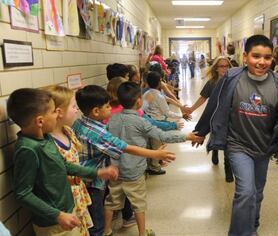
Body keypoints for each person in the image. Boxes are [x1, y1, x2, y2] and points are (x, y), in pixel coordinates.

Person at [193, 34, 278, 236]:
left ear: (272, 58)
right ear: (245, 56)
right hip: (237, 145)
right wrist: (202, 130)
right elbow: (215, 105)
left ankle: (252, 226)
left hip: (263, 147)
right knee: (245, 192)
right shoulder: (231, 77)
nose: (262, 62)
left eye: (267, 57)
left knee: (256, 193)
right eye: (256, 56)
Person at [7, 88, 118, 236]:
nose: (57, 114)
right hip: (53, 222)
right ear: (40, 121)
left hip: (68, 209)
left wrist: (97, 172)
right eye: (54, 112)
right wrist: (57, 215)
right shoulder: (27, 149)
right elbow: (23, 193)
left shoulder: (45, 137)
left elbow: (64, 165)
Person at [72, 85, 176, 236]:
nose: (111, 108)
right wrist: (155, 154)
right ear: (95, 111)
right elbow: (125, 148)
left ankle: (107, 231)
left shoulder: (79, 123)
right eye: (107, 106)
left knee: (106, 205)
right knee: (97, 223)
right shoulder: (99, 132)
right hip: (93, 179)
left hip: (83, 178)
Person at [103, 82, 203, 236]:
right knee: (139, 204)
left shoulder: (112, 119)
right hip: (134, 171)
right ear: (138, 101)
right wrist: (187, 137)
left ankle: (107, 231)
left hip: (115, 170)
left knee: (111, 201)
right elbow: (162, 135)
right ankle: (143, 233)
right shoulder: (141, 121)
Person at [45, 85, 96, 235]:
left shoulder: (68, 131)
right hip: (64, 199)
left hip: (78, 192)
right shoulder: (48, 143)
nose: (76, 110)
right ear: (59, 113)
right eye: (73, 106)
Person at [188, 56, 234, 182]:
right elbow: (203, 98)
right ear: (216, 68)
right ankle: (214, 149)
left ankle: (229, 173)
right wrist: (191, 109)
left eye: (226, 66)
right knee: (216, 135)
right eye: (221, 66)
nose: (224, 68)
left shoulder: (233, 82)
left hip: (229, 118)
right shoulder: (212, 83)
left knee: (228, 144)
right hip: (214, 116)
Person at [143, 71, 190, 175]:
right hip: (158, 122)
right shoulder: (158, 96)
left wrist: (181, 106)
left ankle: (154, 163)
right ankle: (155, 167)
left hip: (150, 121)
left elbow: (167, 98)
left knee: (153, 144)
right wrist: (181, 115)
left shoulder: (148, 93)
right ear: (160, 82)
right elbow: (167, 112)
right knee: (157, 145)